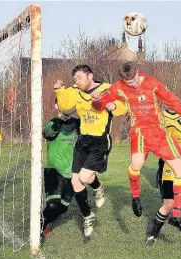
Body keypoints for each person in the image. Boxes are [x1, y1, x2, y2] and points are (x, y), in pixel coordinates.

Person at [91, 62, 181, 219]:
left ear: (137, 73)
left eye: (135, 80)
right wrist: (96, 100)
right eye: (129, 83)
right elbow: (99, 105)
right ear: (123, 81)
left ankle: (177, 212)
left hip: (159, 131)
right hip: (140, 132)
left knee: (180, 170)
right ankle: (135, 197)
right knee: (136, 164)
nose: (134, 84)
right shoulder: (118, 87)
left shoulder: (151, 82)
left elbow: (172, 100)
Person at [54, 64, 128, 237]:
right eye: (75, 79)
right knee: (75, 182)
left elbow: (123, 107)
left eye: (79, 77)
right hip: (82, 140)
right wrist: (59, 90)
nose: (77, 81)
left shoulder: (107, 88)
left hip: (100, 140)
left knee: (85, 177)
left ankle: (98, 187)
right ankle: (88, 215)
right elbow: (64, 107)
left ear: (90, 76)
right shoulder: (74, 91)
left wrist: (111, 105)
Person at [146, 100, 181, 246]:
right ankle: (152, 235)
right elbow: (160, 146)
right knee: (168, 205)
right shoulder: (171, 126)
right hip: (171, 174)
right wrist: (177, 146)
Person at [41, 100, 80, 237]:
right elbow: (47, 134)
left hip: (73, 173)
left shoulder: (78, 124)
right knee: (53, 205)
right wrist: (63, 116)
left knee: (63, 208)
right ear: (56, 105)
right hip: (54, 170)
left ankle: (47, 220)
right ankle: (40, 228)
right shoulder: (53, 123)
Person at [155, 108, 181, 189]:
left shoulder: (180, 115)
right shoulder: (162, 114)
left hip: (177, 144)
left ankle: (176, 183)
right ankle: (160, 182)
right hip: (164, 143)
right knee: (162, 163)